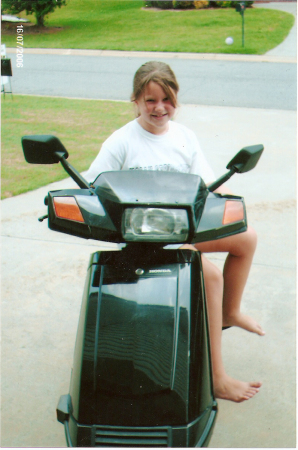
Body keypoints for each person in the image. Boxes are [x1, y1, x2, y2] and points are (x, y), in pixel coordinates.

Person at [85, 61, 265, 403]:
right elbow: (94, 186)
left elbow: (208, 186)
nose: (159, 108)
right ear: (136, 100)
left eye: (167, 99)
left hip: (183, 231)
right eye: (150, 100)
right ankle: (217, 378)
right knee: (210, 277)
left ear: (176, 100)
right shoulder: (121, 141)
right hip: (141, 238)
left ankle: (230, 311)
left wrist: (224, 200)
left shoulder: (185, 137)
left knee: (247, 236)